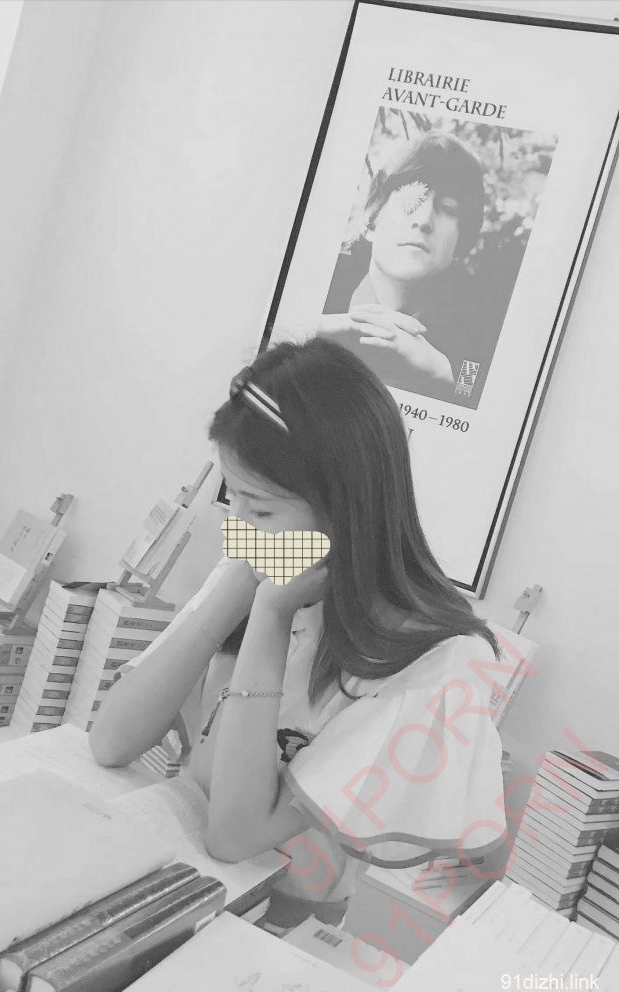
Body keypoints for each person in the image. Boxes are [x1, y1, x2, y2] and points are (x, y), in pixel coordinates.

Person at [89, 339, 506, 933]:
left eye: (260, 510)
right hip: (171, 880)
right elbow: (112, 740)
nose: (237, 528)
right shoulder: (258, 562)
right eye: (232, 498)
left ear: (347, 509)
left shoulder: (436, 660)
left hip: (277, 927)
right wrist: (240, 585)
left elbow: (236, 837)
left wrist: (269, 618)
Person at [318, 130, 493, 407]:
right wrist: (315, 327)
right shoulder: (318, 277)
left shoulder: (480, 322)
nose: (423, 220)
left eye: (448, 208)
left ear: (461, 244)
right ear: (371, 219)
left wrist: (440, 369)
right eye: (410, 201)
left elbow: (480, 387)